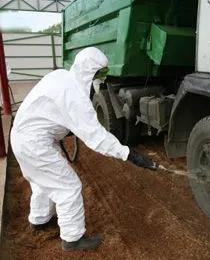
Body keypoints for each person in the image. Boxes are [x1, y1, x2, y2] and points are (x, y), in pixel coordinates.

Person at [10, 47, 158, 252]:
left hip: (21, 136)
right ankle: (72, 239)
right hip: (35, 143)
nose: (102, 78)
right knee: (68, 187)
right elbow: (96, 137)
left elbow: (50, 109)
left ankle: (40, 220)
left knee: (42, 181)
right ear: (90, 72)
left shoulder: (61, 76)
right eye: (101, 73)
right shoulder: (75, 97)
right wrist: (129, 154)